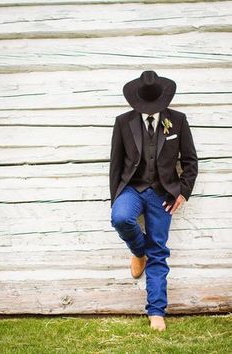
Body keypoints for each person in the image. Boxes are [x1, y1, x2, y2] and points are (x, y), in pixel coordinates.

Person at [109, 70, 198, 331]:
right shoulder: (123, 122)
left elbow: (190, 162)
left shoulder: (178, 121)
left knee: (158, 250)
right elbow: (116, 164)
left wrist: (182, 191)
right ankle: (138, 252)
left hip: (162, 194)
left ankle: (156, 311)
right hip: (132, 190)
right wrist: (115, 197)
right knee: (121, 218)